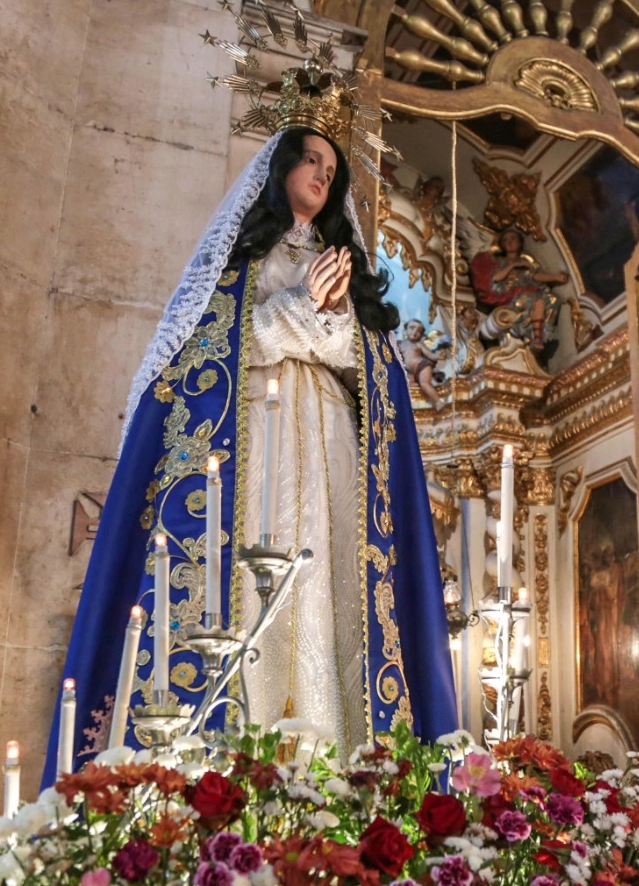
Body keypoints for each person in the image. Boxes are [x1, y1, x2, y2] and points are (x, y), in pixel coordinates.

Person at [42, 127, 457, 786]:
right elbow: (207, 356)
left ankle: (335, 767)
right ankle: (233, 768)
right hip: (248, 449)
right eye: (311, 161)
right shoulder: (237, 264)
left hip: (328, 449)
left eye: (331, 167)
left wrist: (335, 319)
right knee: (245, 584)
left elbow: (370, 370)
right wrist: (303, 308)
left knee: (324, 587)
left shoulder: (345, 266)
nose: (322, 175)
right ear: (281, 169)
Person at [470, 227, 568, 353]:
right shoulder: (499, 261)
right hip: (506, 295)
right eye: (506, 240)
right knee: (531, 298)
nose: (509, 242)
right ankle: (532, 336)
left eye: (513, 239)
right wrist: (513, 265)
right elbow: (496, 278)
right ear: (502, 245)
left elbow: (533, 276)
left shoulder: (525, 262)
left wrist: (555, 277)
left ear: (520, 242)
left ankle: (538, 337)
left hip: (526, 291)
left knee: (552, 299)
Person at [398, 319, 444, 408]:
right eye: (412, 328)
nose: (415, 332)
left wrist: (438, 356)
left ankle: (438, 401)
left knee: (425, 384)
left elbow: (430, 354)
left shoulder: (419, 345)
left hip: (422, 366)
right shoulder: (401, 344)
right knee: (407, 384)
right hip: (409, 370)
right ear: (406, 329)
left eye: (418, 331)